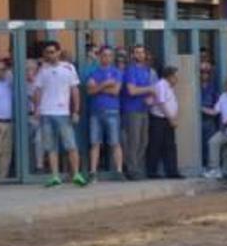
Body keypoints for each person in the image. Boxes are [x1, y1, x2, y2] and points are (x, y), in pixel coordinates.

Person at [33, 41, 85, 187]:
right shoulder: (43, 70)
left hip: (63, 112)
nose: (50, 55)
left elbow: (75, 90)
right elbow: (38, 90)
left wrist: (76, 110)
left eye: (52, 51)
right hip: (46, 112)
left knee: (71, 145)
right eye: (47, 52)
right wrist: (37, 108)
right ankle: (55, 176)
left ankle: (76, 174)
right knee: (51, 147)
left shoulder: (68, 68)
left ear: (58, 52)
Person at [86, 47, 124, 180]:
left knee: (115, 142)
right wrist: (106, 84)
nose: (106, 58)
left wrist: (98, 87)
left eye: (109, 55)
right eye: (104, 55)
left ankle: (119, 171)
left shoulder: (117, 72)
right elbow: (89, 92)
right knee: (95, 143)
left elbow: (116, 91)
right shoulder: (93, 72)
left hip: (112, 110)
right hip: (96, 112)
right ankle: (93, 172)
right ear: (100, 57)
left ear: (112, 57)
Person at [122, 45, 154, 181]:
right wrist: (149, 89)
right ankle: (132, 169)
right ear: (132, 55)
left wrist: (150, 95)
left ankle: (137, 168)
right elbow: (131, 91)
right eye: (137, 52)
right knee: (133, 141)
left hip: (144, 109)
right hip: (132, 110)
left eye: (142, 52)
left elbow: (146, 91)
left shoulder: (147, 70)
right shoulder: (130, 70)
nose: (139, 55)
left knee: (143, 141)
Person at [146, 66, 181, 179]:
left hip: (167, 119)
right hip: (159, 119)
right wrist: (171, 118)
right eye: (175, 76)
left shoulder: (169, 87)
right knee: (156, 145)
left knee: (170, 146)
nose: (177, 78)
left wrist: (173, 117)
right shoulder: (161, 85)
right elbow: (161, 103)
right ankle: (152, 172)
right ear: (170, 76)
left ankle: (172, 171)